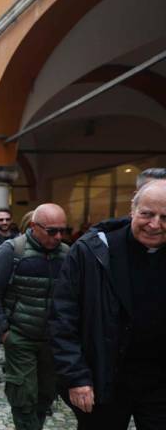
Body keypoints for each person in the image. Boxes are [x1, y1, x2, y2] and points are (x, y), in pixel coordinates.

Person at [50, 180, 166, 429]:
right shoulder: (90, 251)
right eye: (147, 214)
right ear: (132, 210)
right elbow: (63, 317)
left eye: (165, 217)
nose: (155, 224)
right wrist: (76, 376)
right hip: (104, 379)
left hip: (159, 383)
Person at [0, 204, 70, 430]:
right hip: (20, 337)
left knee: (45, 394)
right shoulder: (11, 251)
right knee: (23, 397)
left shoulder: (67, 254)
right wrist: (4, 331)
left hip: (52, 340)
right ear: (34, 227)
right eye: (52, 231)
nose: (58, 236)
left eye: (63, 230)